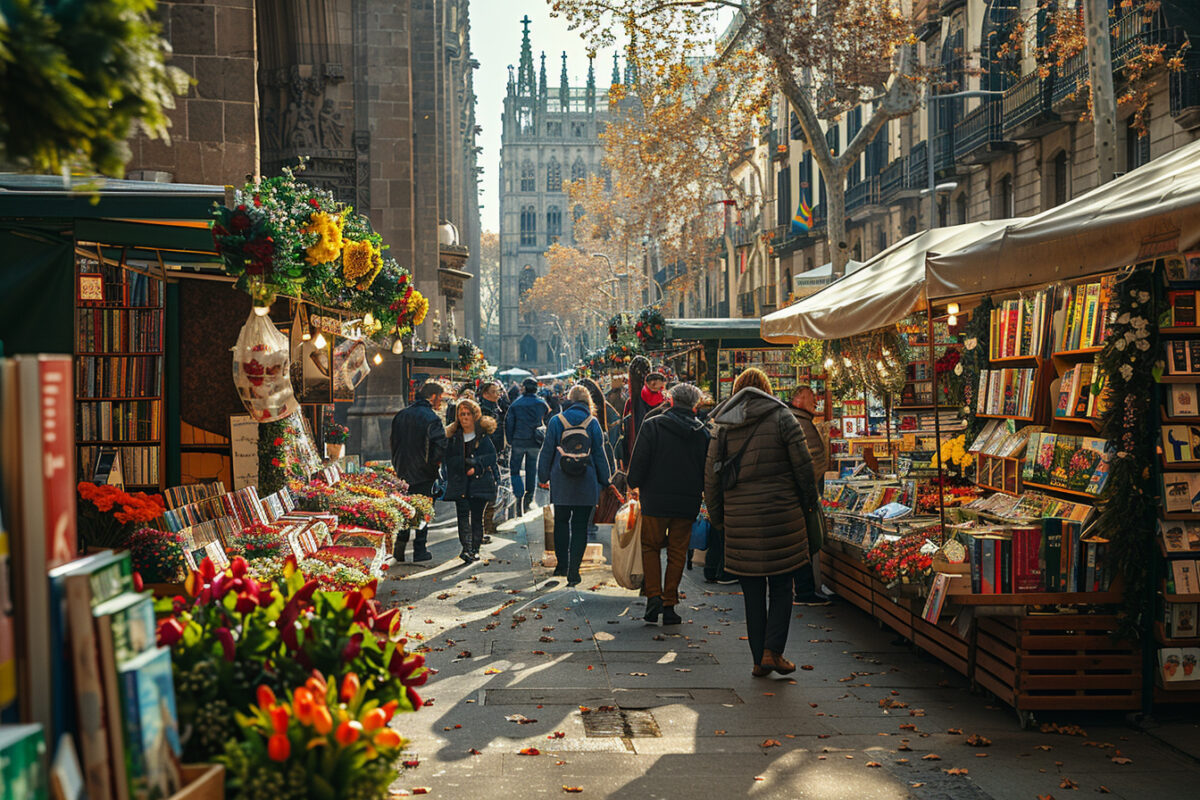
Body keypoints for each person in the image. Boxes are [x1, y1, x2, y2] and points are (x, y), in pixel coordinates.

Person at [704, 367, 819, 677]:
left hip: (741, 522)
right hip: (782, 517)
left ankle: (759, 659)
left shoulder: (723, 426)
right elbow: (804, 467)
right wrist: (810, 504)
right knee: (783, 585)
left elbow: (711, 479)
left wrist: (719, 520)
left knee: (752, 592)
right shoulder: (783, 417)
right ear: (767, 389)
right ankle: (773, 651)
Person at [626, 383, 711, 625]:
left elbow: (639, 460)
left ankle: (653, 596)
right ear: (694, 405)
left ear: (670, 401)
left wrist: (633, 483)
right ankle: (669, 603)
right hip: (687, 501)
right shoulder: (702, 433)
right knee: (678, 552)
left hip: (655, 499)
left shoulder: (653, 426)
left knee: (650, 547)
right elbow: (707, 470)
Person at [537, 385, 611, 586]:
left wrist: (543, 475)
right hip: (586, 480)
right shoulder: (592, 422)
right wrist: (606, 480)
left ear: (570, 400)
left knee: (561, 522)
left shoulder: (556, 421)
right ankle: (574, 571)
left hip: (561, 480)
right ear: (588, 402)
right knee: (580, 526)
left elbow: (547, 450)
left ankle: (561, 566)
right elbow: (599, 453)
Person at [390, 381, 448, 562]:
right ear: (433, 396)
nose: (441, 402)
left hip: (402, 470)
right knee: (423, 510)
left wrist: (398, 465)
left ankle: (399, 548)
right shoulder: (432, 418)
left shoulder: (401, 415)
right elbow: (440, 447)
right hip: (425, 472)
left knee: (405, 508)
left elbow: (393, 443)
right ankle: (419, 550)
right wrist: (435, 466)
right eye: (440, 398)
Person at [790, 385, 833, 605]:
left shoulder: (796, 420)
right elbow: (813, 463)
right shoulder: (802, 424)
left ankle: (804, 589)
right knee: (805, 543)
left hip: (796, 495)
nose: (816, 401)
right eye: (811, 398)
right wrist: (809, 495)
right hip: (802, 496)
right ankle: (805, 590)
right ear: (798, 400)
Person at [442, 399, 498, 563]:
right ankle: (466, 549)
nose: (464, 417)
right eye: (461, 414)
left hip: (479, 483)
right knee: (462, 516)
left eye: (467, 414)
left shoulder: (482, 436)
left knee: (476, 517)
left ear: (474, 416)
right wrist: (459, 464)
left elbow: (491, 457)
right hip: (460, 482)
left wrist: (476, 465)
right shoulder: (453, 436)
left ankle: (475, 548)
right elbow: (448, 458)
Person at [505, 377, 550, 514]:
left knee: (515, 469)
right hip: (535, 441)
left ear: (523, 388)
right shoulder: (542, 404)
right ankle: (529, 497)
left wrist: (510, 439)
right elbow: (548, 419)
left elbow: (509, 423)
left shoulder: (516, 404)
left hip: (518, 440)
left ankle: (518, 494)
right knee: (531, 469)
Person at [478, 381, 506, 543]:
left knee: (494, 486)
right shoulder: (484, 410)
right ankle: (484, 526)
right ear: (486, 394)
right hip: (488, 455)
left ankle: (487, 524)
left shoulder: (494, 408)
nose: (498, 395)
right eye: (494, 392)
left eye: (498, 392)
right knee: (489, 490)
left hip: (494, 453)